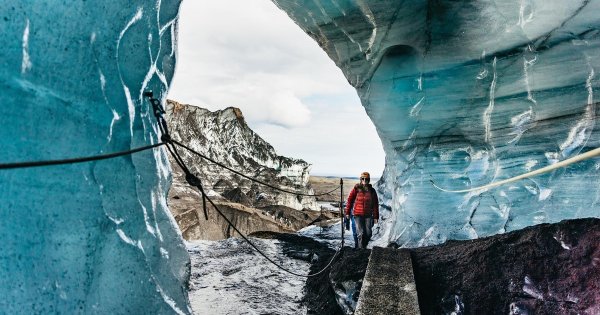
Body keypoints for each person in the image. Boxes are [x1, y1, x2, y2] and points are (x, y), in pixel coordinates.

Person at [345, 172, 379, 249]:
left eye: (366, 179)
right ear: (360, 179)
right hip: (357, 214)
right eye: (362, 178)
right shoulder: (356, 189)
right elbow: (350, 200)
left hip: (368, 215)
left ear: (369, 180)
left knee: (368, 233)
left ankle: (364, 245)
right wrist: (347, 212)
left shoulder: (372, 191)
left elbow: (375, 204)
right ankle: (361, 249)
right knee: (360, 233)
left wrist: (376, 217)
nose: (364, 180)